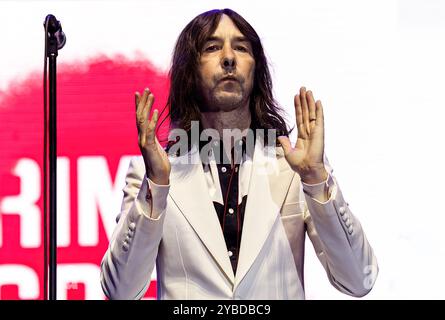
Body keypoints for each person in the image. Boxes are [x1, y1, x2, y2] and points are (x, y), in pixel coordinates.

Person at [100, 8, 378, 300]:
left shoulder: (293, 166)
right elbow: (121, 290)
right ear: (189, 71)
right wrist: (157, 185)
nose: (229, 58)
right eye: (212, 47)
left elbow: (359, 279)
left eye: (241, 47)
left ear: (256, 70)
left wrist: (316, 179)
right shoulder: (158, 171)